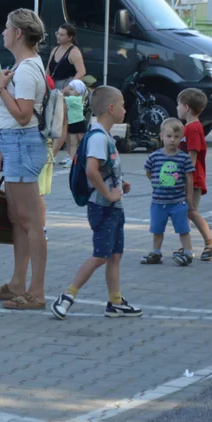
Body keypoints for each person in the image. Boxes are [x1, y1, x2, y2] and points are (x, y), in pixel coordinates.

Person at [51, 86, 142, 320]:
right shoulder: (99, 138)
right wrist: (109, 194)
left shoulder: (104, 136)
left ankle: (115, 302)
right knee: (101, 255)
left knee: (114, 255)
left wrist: (120, 183)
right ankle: (66, 296)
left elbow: (104, 169)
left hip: (112, 206)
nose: (125, 109)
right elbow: (92, 171)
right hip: (103, 207)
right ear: (111, 109)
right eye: (122, 104)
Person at [0, 9, 49, 310]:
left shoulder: (24, 70)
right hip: (16, 146)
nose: (4, 32)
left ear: (19, 33)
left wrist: (0, 88)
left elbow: (22, 115)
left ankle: (35, 291)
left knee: (30, 221)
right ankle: (17, 284)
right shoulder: (25, 65)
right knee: (18, 220)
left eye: (8, 27)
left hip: (22, 143)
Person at [140, 118, 196, 266]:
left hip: (178, 201)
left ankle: (188, 252)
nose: (172, 140)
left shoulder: (183, 158)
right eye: (169, 136)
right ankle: (156, 253)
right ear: (161, 136)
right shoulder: (155, 156)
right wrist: (156, 183)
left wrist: (189, 198)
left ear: (181, 138)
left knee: (183, 229)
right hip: (158, 202)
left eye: (176, 137)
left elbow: (189, 178)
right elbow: (148, 172)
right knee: (157, 229)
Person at [177, 88, 212, 260]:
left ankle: (210, 243)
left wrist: (184, 177)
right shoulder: (188, 128)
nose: (177, 108)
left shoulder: (193, 129)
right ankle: (186, 247)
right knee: (184, 212)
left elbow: (192, 156)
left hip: (192, 180)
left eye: (178, 104)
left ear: (186, 107)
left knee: (191, 211)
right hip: (186, 179)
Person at [57, 79, 87, 167]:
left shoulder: (75, 99)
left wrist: (59, 93)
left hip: (79, 123)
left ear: (78, 91)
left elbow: (62, 98)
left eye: (71, 89)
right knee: (73, 143)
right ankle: (72, 159)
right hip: (73, 123)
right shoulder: (75, 98)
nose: (69, 91)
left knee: (81, 141)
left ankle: (85, 157)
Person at [46, 23, 86, 90]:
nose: (58, 36)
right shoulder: (55, 49)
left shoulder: (74, 52)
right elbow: (48, 69)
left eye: (62, 35)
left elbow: (81, 72)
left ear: (70, 37)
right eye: (57, 33)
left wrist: (69, 87)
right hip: (53, 86)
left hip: (66, 85)